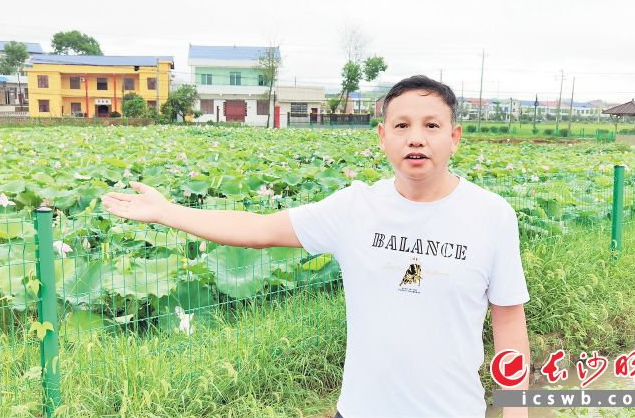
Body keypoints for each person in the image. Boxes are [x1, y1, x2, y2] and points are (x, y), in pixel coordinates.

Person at [101, 75, 530, 418]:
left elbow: (510, 323)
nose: (416, 139)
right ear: (382, 136)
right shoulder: (354, 208)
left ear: (454, 137)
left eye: (431, 126)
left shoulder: (491, 215)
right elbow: (257, 229)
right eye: (402, 126)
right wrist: (166, 211)